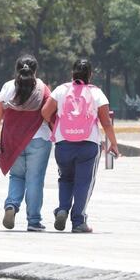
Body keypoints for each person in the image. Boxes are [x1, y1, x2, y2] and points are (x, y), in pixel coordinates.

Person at [41, 57, 119, 233]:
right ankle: (78, 221)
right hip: (88, 144)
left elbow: (45, 112)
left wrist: (55, 126)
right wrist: (113, 143)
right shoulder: (97, 93)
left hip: (63, 143)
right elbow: (106, 122)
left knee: (65, 178)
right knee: (84, 182)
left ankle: (62, 209)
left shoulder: (61, 90)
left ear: (72, 73)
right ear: (90, 75)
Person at [0, 54, 53, 232]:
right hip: (39, 140)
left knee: (16, 176)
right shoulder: (42, 88)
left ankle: (11, 205)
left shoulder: (8, 87)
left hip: (12, 140)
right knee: (35, 180)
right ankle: (33, 221)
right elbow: (49, 112)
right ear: (36, 70)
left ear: (17, 69)